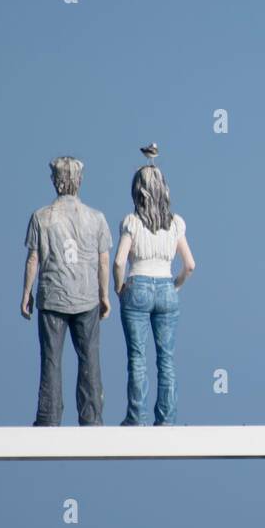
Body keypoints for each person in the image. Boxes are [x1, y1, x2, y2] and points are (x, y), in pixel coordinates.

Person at [21, 157, 112, 426]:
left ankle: (49, 417)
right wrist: (104, 295)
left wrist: (26, 293)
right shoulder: (96, 218)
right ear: (79, 181)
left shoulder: (40, 217)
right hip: (87, 296)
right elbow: (104, 260)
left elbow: (33, 259)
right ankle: (91, 417)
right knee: (90, 358)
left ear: (55, 181)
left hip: (52, 296)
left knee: (51, 359)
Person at [113, 165, 195, 426]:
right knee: (166, 359)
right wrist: (175, 286)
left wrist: (119, 288)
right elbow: (190, 265)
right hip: (166, 288)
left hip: (137, 284)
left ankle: (137, 417)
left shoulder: (132, 222)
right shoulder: (176, 223)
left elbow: (118, 262)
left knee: (137, 357)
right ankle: (167, 419)